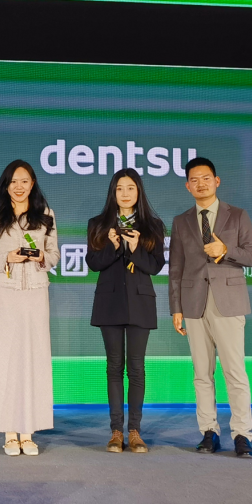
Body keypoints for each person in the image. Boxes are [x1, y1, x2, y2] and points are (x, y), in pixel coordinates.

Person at [168, 157, 252, 457]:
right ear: (187, 186)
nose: (201, 184)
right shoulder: (181, 221)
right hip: (193, 304)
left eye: (206, 178)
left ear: (216, 181)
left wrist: (226, 250)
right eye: (194, 180)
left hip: (228, 302)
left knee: (235, 372)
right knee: (202, 374)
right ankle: (209, 431)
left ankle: (242, 434)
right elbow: (176, 268)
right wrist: (176, 308)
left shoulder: (238, 216)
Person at [0, 159, 59, 457]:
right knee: (5, 360)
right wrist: (7, 257)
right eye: (13, 181)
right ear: (6, 185)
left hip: (35, 293)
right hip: (5, 293)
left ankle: (28, 432)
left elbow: (54, 255)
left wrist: (40, 257)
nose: (19, 186)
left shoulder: (45, 214)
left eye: (24, 181)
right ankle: (10, 433)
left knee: (34, 360)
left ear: (32, 183)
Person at [85, 169, 166, 454]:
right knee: (114, 367)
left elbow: (155, 266)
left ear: (139, 191)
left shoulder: (153, 225)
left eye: (130, 188)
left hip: (140, 303)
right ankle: (116, 431)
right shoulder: (98, 224)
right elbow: (93, 263)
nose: (125, 193)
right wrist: (113, 245)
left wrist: (135, 248)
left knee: (136, 367)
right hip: (109, 302)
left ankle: (135, 431)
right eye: (120, 188)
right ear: (113, 192)